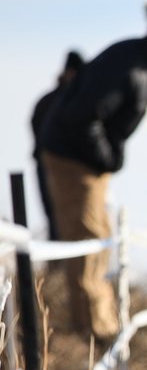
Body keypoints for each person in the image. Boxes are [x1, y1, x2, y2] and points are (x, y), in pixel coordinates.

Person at [38, 0, 147, 340]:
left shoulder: (142, 63)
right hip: (74, 161)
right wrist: (108, 157)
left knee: (99, 237)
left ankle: (99, 323)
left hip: (86, 160)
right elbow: (82, 117)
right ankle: (94, 331)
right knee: (88, 239)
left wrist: (107, 158)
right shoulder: (129, 65)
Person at [29, 49, 85, 240]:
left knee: (59, 219)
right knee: (60, 219)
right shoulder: (65, 102)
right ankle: (60, 268)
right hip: (60, 168)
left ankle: (59, 268)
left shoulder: (46, 101)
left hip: (47, 165)